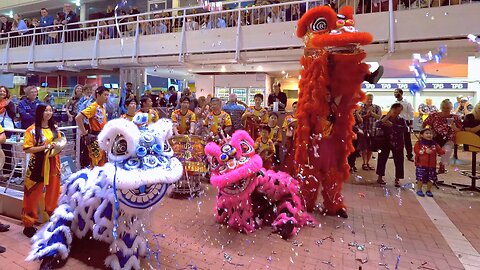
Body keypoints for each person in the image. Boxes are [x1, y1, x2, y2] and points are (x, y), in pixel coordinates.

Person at [22, 104, 63, 238]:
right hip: (37, 164)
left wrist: (58, 146)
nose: (49, 113)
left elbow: (60, 141)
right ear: (40, 112)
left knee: (54, 191)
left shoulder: (55, 129)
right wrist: (44, 147)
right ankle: (29, 224)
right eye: (46, 110)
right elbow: (27, 149)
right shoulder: (31, 130)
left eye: (50, 110)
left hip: (53, 163)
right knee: (32, 193)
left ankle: (53, 218)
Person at [422, 99, 462, 174]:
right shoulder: (434, 115)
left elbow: (460, 130)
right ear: (441, 107)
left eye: (447, 108)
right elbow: (424, 124)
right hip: (434, 138)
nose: (445, 109)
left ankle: (442, 165)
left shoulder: (456, 117)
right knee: (429, 152)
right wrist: (426, 133)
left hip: (448, 138)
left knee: (447, 150)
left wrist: (454, 127)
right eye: (444, 107)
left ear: (451, 108)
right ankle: (429, 170)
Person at [75, 86, 109, 168]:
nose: (107, 97)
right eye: (105, 95)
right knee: (96, 163)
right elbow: (78, 117)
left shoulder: (102, 107)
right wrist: (84, 132)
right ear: (98, 95)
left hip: (102, 138)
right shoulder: (93, 107)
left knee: (102, 161)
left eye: (108, 95)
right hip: (95, 139)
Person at [376, 103, 408, 187]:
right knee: (382, 159)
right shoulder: (384, 118)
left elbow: (405, 129)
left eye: (399, 112)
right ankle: (380, 177)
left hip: (398, 142)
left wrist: (393, 125)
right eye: (395, 111)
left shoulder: (401, 119)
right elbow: (377, 125)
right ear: (391, 110)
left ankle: (397, 179)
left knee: (399, 161)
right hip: (385, 142)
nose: (397, 113)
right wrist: (386, 117)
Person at [414, 128, 445, 197]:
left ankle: (428, 190)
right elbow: (416, 151)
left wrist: (444, 151)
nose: (429, 135)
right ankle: (419, 189)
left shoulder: (435, 144)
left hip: (432, 165)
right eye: (427, 133)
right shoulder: (419, 143)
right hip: (421, 164)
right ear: (422, 135)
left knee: (431, 178)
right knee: (420, 178)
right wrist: (424, 151)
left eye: (430, 133)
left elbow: (440, 151)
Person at [358, 93, 382, 170]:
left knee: (370, 148)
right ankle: (364, 163)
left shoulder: (377, 107)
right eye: (368, 99)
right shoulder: (361, 107)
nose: (369, 100)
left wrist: (372, 113)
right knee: (364, 147)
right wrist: (368, 115)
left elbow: (379, 117)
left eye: (371, 99)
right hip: (363, 130)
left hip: (373, 130)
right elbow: (359, 118)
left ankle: (367, 162)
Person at [0, 86, 17, 178]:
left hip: (7, 128)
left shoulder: (10, 103)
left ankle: (7, 172)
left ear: (6, 93)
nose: (2, 93)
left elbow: (13, 115)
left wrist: (6, 105)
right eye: (0, 91)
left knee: (7, 149)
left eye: (4, 91)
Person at [393, 88, 414, 161]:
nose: (395, 94)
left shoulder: (407, 102)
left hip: (405, 122)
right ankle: (395, 154)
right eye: (394, 92)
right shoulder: (394, 102)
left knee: (407, 140)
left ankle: (409, 155)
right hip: (396, 122)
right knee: (396, 139)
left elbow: (411, 113)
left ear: (401, 93)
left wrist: (411, 124)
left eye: (396, 92)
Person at [282, 101, 298, 175]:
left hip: (298, 140)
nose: (295, 108)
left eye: (297, 107)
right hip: (290, 139)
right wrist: (290, 127)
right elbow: (284, 128)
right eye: (294, 107)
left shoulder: (302, 117)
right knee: (288, 155)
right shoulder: (288, 118)